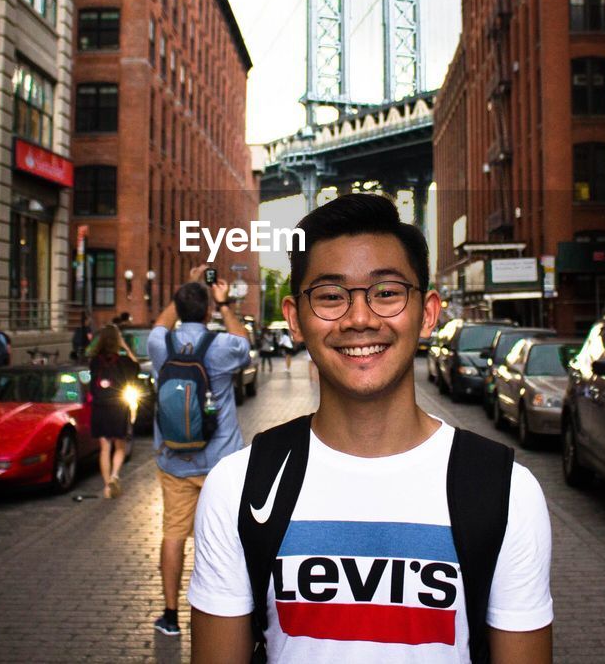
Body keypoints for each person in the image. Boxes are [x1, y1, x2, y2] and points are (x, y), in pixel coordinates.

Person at [188, 193, 553, 663]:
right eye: (330, 297)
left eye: (386, 293)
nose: (359, 319)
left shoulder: (506, 492)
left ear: (427, 314)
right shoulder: (237, 488)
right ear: (295, 320)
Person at [148, 267, 250, 638]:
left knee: (173, 535)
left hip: (174, 460)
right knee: (228, 537)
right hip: (221, 464)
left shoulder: (160, 346)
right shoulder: (221, 348)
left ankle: (171, 615)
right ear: (207, 312)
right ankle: (234, 610)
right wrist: (222, 303)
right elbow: (244, 342)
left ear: (178, 306)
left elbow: (161, 325)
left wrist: (185, 289)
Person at [87, 324, 136, 499]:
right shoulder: (122, 361)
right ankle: (115, 475)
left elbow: (91, 386)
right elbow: (136, 368)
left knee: (104, 448)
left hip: (100, 408)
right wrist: (125, 346)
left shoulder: (95, 361)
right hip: (118, 407)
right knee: (120, 446)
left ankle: (107, 486)